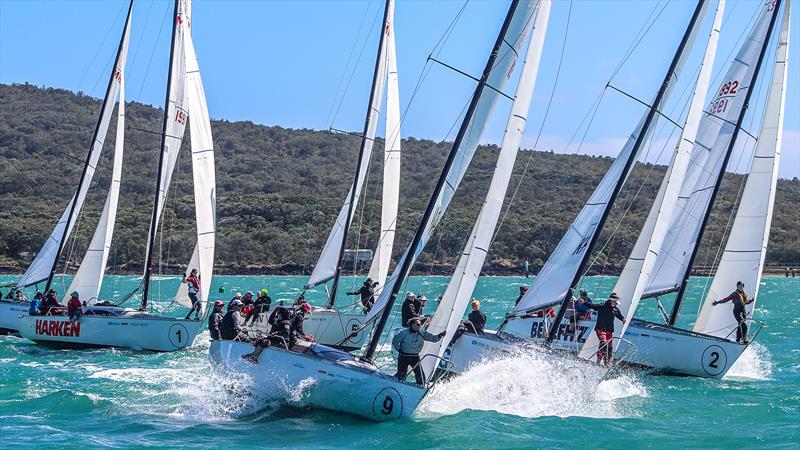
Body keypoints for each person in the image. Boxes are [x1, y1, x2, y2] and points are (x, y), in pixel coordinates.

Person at [392, 317, 446, 385]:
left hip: (415, 356)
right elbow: (395, 341)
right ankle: (395, 383)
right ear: (411, 325)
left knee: (420, 376)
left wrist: (440, 335)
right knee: (401, 375)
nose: (419, 326)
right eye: (417, 324)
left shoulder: (422, 332)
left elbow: (433, 339)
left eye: (420, 324)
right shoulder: (403, 333)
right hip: (403, 356)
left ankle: (420, 387)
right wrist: (399, 349)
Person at [582, 293, 626, 366]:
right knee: (604, 342)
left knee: (610, 347)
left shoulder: (616, 309)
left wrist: (623, 319)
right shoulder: (602, 306)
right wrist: (584, 302)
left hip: (609, 331)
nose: (616, 304)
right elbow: (593, 306)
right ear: (611, 301)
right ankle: (599, 360)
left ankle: (607, 363)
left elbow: (618, 315)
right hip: (601, 329)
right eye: (615, 302)